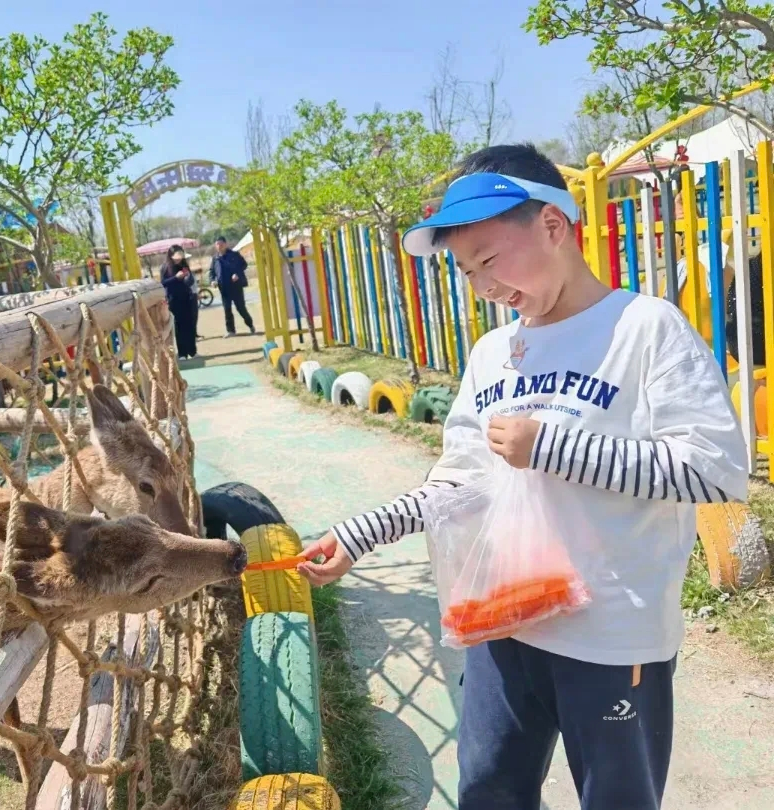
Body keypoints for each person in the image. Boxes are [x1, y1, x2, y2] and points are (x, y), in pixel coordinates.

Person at [295, 143, 749, 810]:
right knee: (487, 789)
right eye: (466, 271)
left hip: (611, 636)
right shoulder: (492, 354)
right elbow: (460, 482)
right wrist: (360, 535)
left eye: (489, 261)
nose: (481, 286)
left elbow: (715, 470)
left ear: (553, 225)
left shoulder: (643, 329)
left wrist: (553, 447)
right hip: (502, 618)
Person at [209, 235, 255, 337]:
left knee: (240, 308)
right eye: (217, 244)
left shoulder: (234, 254)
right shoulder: (215, 258)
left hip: (236, 286)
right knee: (227, 309)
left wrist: (237, 274)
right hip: (223, 288)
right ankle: (231, 331)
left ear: (226, 244)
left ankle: (250, 324)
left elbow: (244, 265)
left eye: (221, 244)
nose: (219, 246)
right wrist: (212, 281)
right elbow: (212, 272)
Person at [159, 244, 197, 359]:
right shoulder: (165, 267)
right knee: (179, 326)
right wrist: (175, 277)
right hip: (174, 299)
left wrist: (188, 277)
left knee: (190, 325)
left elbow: (190, 282)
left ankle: (192, 351)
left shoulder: (184, 265)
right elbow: (163, 283)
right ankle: (182, 353)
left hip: (187, 298)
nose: (179, 258)